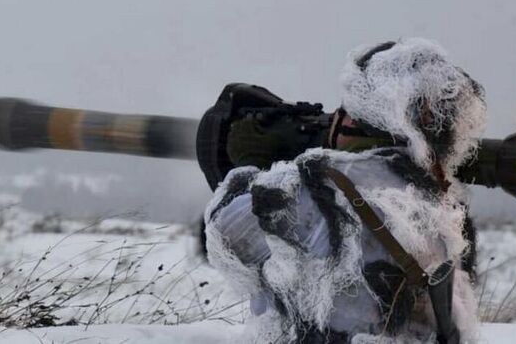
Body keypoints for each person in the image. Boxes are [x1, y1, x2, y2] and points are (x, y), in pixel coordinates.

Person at [204, 38, 484, 343]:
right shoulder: (436, 201)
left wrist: (250, 170)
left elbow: (227, 237)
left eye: (346, 108)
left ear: (363, 116)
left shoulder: (318, 189)